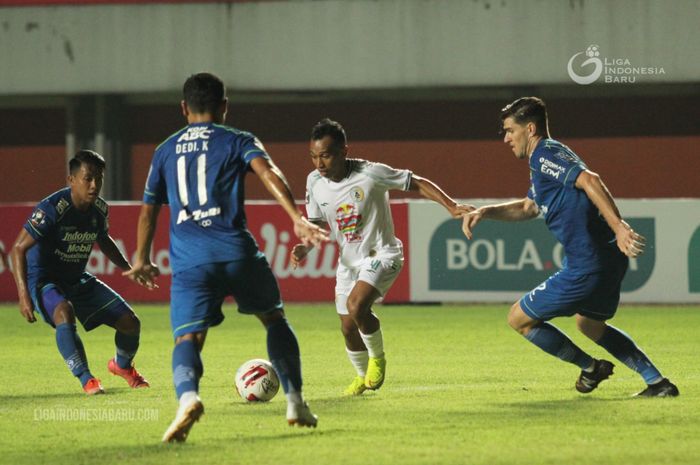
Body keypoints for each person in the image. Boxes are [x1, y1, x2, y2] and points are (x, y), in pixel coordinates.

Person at [125, 72, 329, 443]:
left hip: (190, 261)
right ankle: (296, 401)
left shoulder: (165, 150)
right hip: (236, 251)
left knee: (188, 339)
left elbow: (148, 209)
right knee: (274, 319)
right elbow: (269, 172)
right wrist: (297, 218)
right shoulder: (238, 139)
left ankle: (188, 399)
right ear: (224, 106)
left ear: (184, 108)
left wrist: (140, 258)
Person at [461, 97, 678, 397]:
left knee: (518, 318)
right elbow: (528, 207)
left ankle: (591, 368)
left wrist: (619, 226)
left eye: (510, 130)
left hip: (587, 263)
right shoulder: (546, 161)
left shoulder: (544, 154)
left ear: (531, 128)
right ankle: (658, 383)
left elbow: (590, 180)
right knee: (589, 324)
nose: (507, 138)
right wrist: (485, 211)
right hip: (607, 260)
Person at [291, 118, 473, 396]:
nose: (319, 164)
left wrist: (451, 206)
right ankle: (363, 377)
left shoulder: (371, 173)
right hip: (349, 262)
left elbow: (417, 182)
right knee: (347, 327)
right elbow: (319, 223)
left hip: (383, 253)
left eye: (326, 155)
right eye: (314, 157)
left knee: (356, 305)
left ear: (343, 151)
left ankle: (378, 359)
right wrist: (306, 246)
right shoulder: (314, 182)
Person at [10, 150, 151, 395]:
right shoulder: (52, 208)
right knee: (64, 312)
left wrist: (129, 268)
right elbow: (18, 249)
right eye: (88, 178)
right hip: (44, 280)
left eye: (99, 178)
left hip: (76, 279)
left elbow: (104, 239)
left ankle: (122, 367)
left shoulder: (98, 210)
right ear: (71, 180)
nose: (94, 185)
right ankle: (87, 379)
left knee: (131, 323)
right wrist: (24, 296)